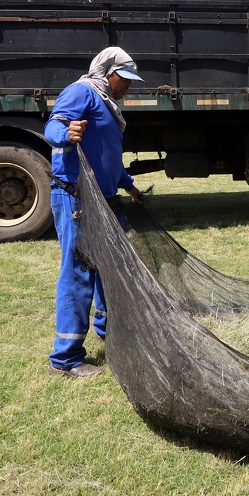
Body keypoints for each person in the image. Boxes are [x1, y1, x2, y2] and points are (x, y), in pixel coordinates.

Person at [44, 46, 145, 378]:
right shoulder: (82, 92)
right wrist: (67, 134)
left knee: (110, 268)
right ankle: (66, 358)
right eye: (124, 78)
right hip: (76, 198)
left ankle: (108, 333)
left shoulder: (109, 105)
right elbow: (53, 127)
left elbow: (108, 155)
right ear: (107, 73)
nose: (128, 85)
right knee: (78, 272)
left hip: (105, 200)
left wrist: (127, 183)